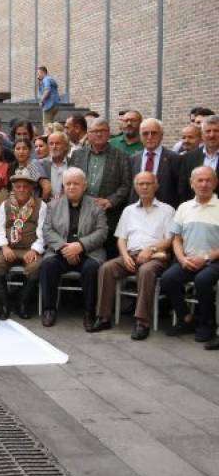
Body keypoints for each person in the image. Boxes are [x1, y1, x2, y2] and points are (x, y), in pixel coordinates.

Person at [89, 171, 174, 339]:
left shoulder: (167, 210)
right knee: (106, 268)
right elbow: (121, 238)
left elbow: (170, 240)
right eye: (141, 184)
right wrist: (125, 255)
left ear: (156, 186)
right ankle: (103, 317)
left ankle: (142, 322)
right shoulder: (129, 210)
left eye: (148, 183)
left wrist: (151, 250)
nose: (144, 187)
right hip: (131, 254)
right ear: (136, 187)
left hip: (156, 256)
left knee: (146, 271)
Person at [39, 168, 109, 328]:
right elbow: (47, 230)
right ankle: (49, 309)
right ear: (63, 186)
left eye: (76, 183)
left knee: (92, 269)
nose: (71, 187)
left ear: (84, 186)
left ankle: (89, 312)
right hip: (60, 251)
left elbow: (102, 232)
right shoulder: (53, 205)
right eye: (68, 183)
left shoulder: (96, 206)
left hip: (89, 252)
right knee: (48, 265)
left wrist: (80, 245)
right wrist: (65, 248)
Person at [162, 166, 219, 343]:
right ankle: (186, 319)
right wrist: (181, 259)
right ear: (191, 183)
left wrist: (206, 258)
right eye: (200, 180)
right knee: (168, 278)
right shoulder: (184, 207)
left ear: (215, 183)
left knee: (203, 280)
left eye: (208, 180)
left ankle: (207, 324)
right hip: (188, 259)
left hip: (214, 261)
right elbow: (176, 239)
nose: (204, 184)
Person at [0, 170, 47, 320]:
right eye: (18, 186)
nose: (21, 189)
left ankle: (22, 303)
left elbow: (43, 232)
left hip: (30, 249)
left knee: (35, 266)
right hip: (9, 248)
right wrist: (4, 247)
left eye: (25, 186)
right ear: (13, 188)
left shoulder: (41, 205)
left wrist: (35, 250)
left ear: (31, 189)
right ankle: (4, 305)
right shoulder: (5, 205)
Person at [69, 117, 132, 247]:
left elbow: (126, 185)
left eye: (103, 130)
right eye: (95, 131)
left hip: (108, 216)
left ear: (108, 133)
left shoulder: (121, 156)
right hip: (80, 214)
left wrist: (111, 201)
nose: (99, 134)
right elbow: (69, 180)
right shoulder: (77, 155)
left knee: (106, 251)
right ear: (88, 134)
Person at [129, 118, 180, 208]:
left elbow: (179, 189)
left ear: (161, 135)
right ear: (140, 136)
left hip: (165, 210)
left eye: (154, 133)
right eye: (145, 133)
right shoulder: (133, 159)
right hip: (138, 209)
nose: (149, 137)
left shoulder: (175, 158)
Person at [177, 115, 219, 203]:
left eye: (216, 131)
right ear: (202, 135)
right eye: (208, 131)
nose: (212, 135)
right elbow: (183, 189)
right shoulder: (188, 158)